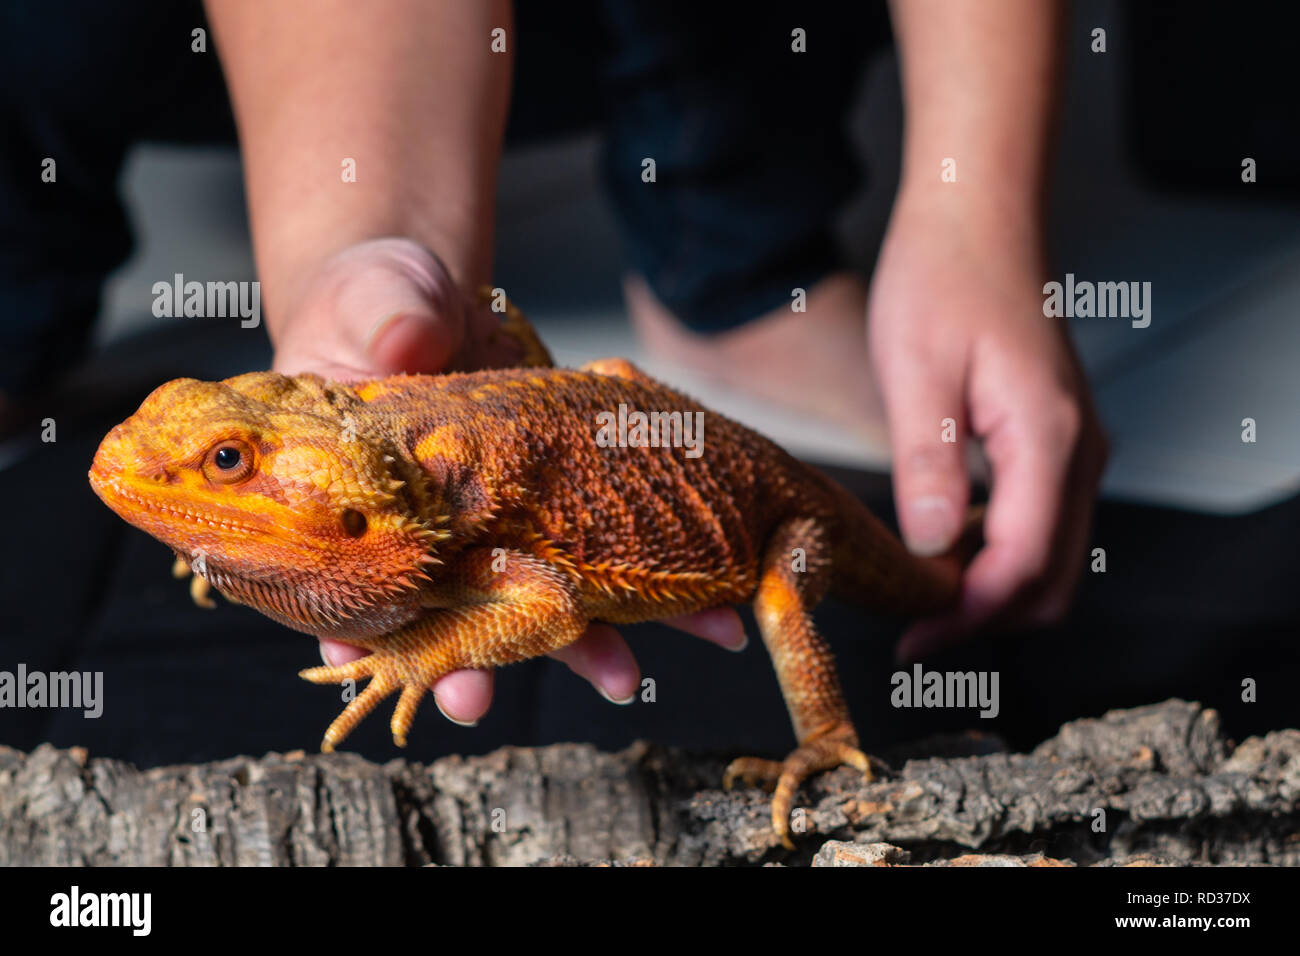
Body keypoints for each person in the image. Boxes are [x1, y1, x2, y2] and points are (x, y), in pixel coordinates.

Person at [1, 0, 1105, 727]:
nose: (192, 471)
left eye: (230, 459)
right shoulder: (385, 457)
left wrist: (976, 206)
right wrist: (367, 251)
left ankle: (737, 259)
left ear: (350, 511)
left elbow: (539, 599)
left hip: (772, 520)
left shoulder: (423, 498)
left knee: (778, 589)